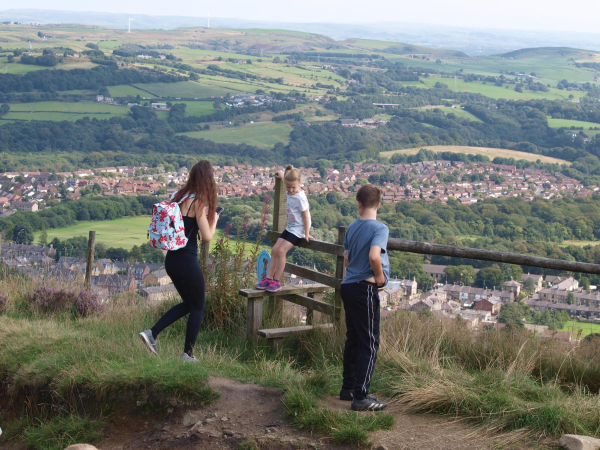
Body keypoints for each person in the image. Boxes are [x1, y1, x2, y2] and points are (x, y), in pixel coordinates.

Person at [139, 160, 220, 362]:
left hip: (172, 260)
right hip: (187, 261)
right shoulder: (198, 203)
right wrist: (215, 220)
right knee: (199, 306)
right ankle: (187, 354)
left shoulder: (180, 197)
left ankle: (152, 333)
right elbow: (208, 236)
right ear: (208, 180)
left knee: (189, 304)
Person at [339, 184, 389, 411]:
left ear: (358, 204)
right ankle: (361, 397)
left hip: (348, 285)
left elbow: (347, 258)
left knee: (354, 338)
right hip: (364, 289)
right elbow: (374, 255)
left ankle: (348, 387)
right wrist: (379, 277)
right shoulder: (380, 228)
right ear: (378, 205)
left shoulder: (351, 227)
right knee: (369, 342)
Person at [255, 165, 313, 292]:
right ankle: (268, 279)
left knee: (281, 251)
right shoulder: (289, 186)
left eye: (293, 187)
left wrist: (307, 234)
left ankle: (276, 281)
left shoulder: (301, 198)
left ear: (300, 183)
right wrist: (282, 176)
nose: (290, 190)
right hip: (291, 227)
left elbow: (306, 218)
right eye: (288, 187)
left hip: (299, 230)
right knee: (275, 249)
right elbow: (286, 178)